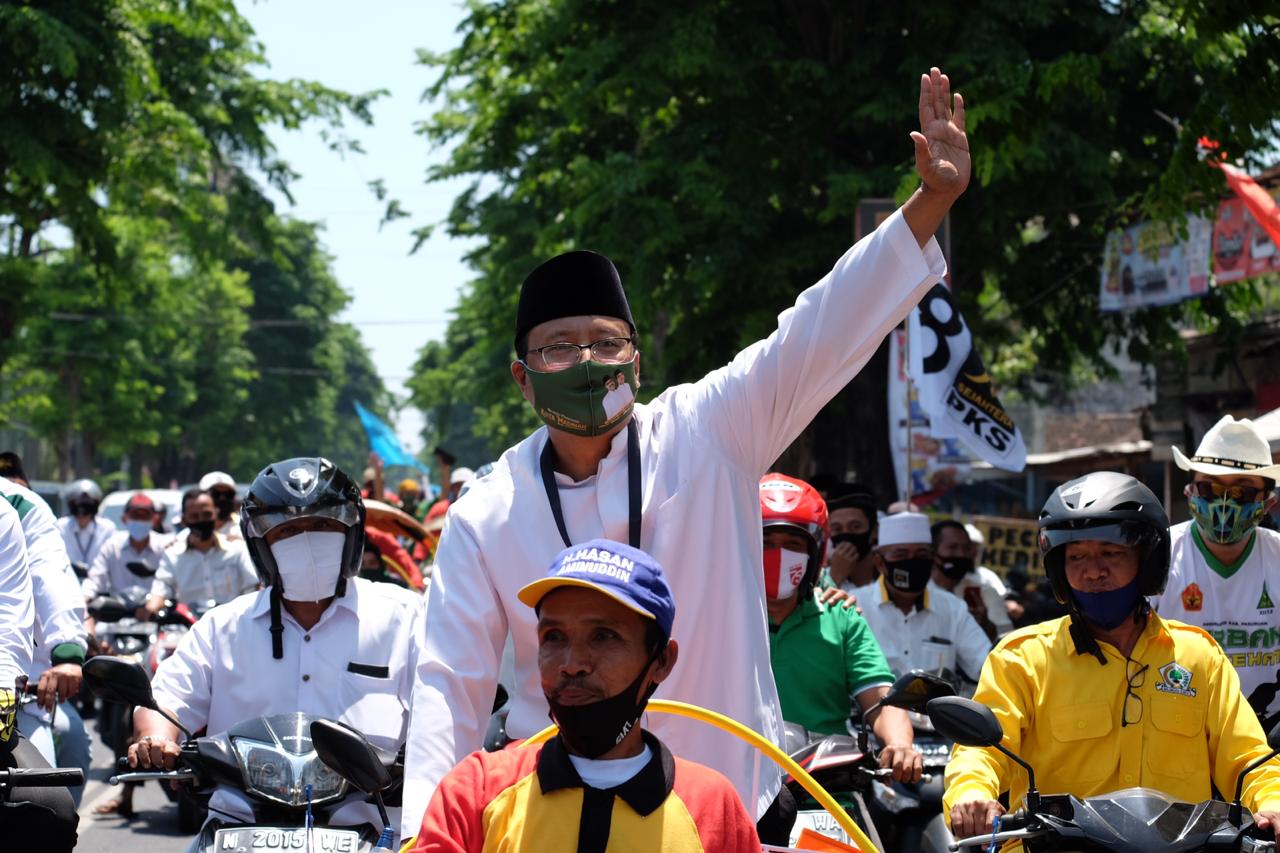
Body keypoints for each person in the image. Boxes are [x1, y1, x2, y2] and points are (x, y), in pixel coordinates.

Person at [402, 66, 968, 840]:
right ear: (521, 376)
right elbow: (448, 688)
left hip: (731, 808)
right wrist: (420, 835)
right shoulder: (485, 511)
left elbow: (818, 329)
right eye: (560, 348)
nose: (589, 362)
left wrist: (929, 203)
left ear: (636, 361)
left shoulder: (710, 428)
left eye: (607, 343)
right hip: (557, 818)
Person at [946, 471, 1280, 839]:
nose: (1093, 572)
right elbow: (982, 753)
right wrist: (972, 794)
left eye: (1110, 553)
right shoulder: (1021, 659)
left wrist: (1272, 802)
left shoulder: (1198, 656)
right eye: (1076, 557)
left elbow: (1249, 759)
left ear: (1147, 561)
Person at [129, 457, 421, 845]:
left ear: (352, 531)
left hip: (373, 829)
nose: (307, 540)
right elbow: (165, 701)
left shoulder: (407, 617)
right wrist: (156, 739)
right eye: (288, 530)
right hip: (237, 830)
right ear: (260, 543)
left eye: (322, 525)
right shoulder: (222, 627)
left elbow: (443, 710)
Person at [409, 539, 760, 852]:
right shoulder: (477, 790)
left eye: (604, 636)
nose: (572, 664)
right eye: (554, 637)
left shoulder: (712, 806)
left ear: (662, 660)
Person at [760, 475, 920, 778]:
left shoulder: (841, 614)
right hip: (736, 783)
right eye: (766, 543)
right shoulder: (722, 615)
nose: (779, 554)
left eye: (792, 544)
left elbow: (879, 695)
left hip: (826, 785)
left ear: (815, 553)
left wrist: (900, 744)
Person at [1153, 415, 1280, 728]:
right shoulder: (1156, 556)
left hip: (1268, 742)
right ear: (1190, 491)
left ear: (1268, 502)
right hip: (1176, 732)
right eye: (1210, 488)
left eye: (1242, 492)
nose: (1224, 503)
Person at [0, 476, 92, 807]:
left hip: (19, 691)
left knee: (49, 805)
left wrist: (66, 651)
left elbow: (48, 579)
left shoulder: (14, 507)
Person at [853, 512, 992, 682]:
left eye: (922, 555)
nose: (913, 561)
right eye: (901, 555)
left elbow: (987, 667)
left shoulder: (953, 608)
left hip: (934, 708)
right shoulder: (854, 607)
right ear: (880, 563)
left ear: (932, 559)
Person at [144, 488, 258, 615]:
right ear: (184, 520)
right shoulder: (172, 555)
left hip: (234, 626)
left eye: (206, 514)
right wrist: (149, 610)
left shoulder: (237, 550)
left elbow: (254, 587)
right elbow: (161, 590)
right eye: (194, 516)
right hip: (189, 629)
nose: (201, 520)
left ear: (216, 513)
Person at [82, 493, 172, 603]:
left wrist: (157, 599)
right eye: (135, 516)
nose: (139, 521)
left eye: (144, 517)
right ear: (124, 518)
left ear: (154, 520)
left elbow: (170, 582)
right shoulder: (112, 546)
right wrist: (83, 601)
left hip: (155, 613)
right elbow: (95, 579)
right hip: (116, 614)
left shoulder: (165, 546)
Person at [931, 519, 1012, 641]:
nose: (961, 554)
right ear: (932, 551)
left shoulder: (983, 589)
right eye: (953, 547)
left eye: (966, 548)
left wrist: (985, 624)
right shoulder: (916, 592)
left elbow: (1005, 639)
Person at [824, 483, 880, 591]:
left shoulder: (888, 579)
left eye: (855, 527)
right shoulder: (817, 580)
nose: (846, 534)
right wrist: (835, 578)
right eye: (837, 529)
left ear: (874, 531)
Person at [57, 479, 117, 571]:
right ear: (72, 506)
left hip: (97, 581)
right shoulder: (61, 526)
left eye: (87, 506)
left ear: (94, 507)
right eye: (79, 505)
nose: (83, 512)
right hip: (68, 579)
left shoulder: (107, 528)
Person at [199, 470, 241, 541]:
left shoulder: (245, 528)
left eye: (229, 494)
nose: (222, 499)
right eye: (215, 494)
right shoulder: (189, 533)